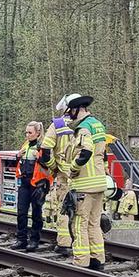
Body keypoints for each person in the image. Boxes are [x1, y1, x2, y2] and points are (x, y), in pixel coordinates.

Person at [64, 94, 108, 270]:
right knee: (94, 222)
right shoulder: (98, 124)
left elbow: (86, 151)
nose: (69, 116)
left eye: (70, 112)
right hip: (99, 182)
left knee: (79, 223)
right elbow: (102, 153)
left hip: (84, 184)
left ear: (76, 110)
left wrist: (73, 169)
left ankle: (81, 262)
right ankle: (98, 260)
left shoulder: (83, 128)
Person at [40, 97, 77, 256]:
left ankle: (64, 243)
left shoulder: (58, 125)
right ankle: (82, 242)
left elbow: (45, 150)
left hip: (64, 174)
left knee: (64, 208)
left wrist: (53, 167)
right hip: (85, 175)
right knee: (83, 210)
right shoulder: (89, 123)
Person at [13, 121, 51, 251]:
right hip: (24, 182)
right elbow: (21, 162)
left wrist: (39, 158)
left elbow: (49, 164)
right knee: (21, 212)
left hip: (37, 184)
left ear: (38, 133)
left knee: (36, 213)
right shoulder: (26, 145)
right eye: (26, 132)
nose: (27, 135)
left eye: (30, 132)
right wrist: (17, 156)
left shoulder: (42, 146)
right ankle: (21, 239)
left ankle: (34, 239)